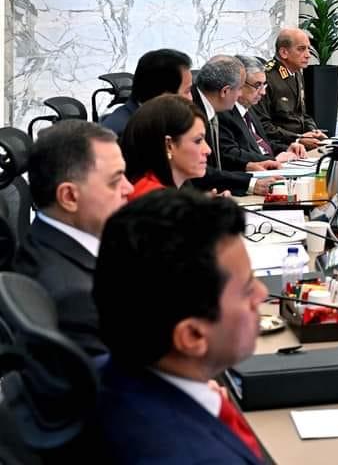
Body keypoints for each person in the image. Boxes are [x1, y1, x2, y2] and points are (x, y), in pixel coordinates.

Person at [93, 190, 268, 464]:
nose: (263, 294)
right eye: (247, 290)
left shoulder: (103, 373)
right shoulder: (201, 457)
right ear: (193, 336)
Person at [13, 121, 133, 356]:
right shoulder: (76, 297)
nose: (129, 188)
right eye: (115, 181)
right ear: (69, 196)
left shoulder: (43, 239)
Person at [190, 56, 275, 196]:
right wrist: (250, 183)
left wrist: (247, 166)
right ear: (225, 91)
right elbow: (199, 171)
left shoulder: (209, 107)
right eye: (240, 88)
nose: (240, 94)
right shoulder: (192, 113)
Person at [218, 55, 308, 172]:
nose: (263, 92)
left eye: (264, 85)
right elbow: (231, 154)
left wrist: (286, 149)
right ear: (239, 84)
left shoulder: (250, 109)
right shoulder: (223, 113)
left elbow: (262, 144)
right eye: (257, 85)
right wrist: (273, 159)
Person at [122, 95, 211, 199]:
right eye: (198, 141)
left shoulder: (160, 192)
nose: (208, 150)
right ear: (169, 145)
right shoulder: (154, 198)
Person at [252, 28, 327, 149]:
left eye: (308, 49)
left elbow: (302, 114)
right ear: (284, 52)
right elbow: (263, 125)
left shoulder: (296, 73)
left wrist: (313, 131)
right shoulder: (266, 77)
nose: (308, 55)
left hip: (301, 143)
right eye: (301, 49)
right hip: (282, 146)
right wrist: (297, 138)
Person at [101, 48, 193, 137]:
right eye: (187, 91)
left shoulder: (160, 118)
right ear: (165, 97)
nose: (191, 98)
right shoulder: (123, 136)